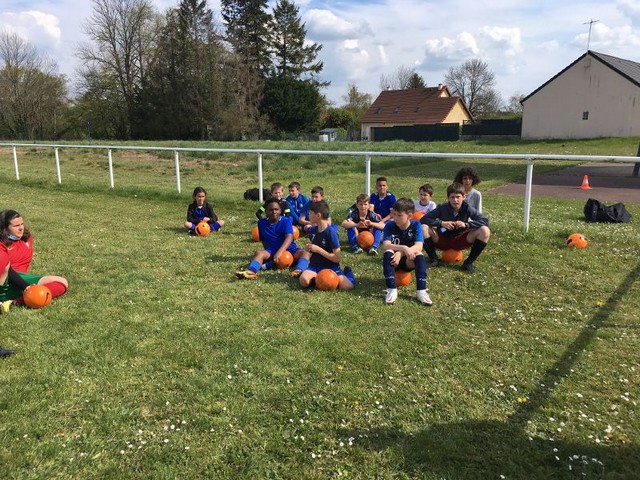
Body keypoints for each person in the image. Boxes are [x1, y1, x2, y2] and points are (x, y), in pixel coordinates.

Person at [0, 209, 69, 314]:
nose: (21, 228)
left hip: (23, 278)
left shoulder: (26, 238)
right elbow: (6, 267)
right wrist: (26, 286)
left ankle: (13, 303)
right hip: (7, 280)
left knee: (61, 283)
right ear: (4, 228)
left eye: (22, 224)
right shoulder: (2, 244)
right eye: (16, 226)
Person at [420, 182, 490, 273]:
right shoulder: (442, 208)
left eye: (458, 197)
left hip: (460, 240)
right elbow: (424, 219)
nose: (455, 200)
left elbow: (485, 220)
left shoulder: (467, 208)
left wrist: (467, 225)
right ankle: (434, 259)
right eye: (452, 197)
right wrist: (441, 223)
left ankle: (468, 263)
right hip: (443, 239)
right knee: (423, 227)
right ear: (448, 198)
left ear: (464, 197)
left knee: (485, 230)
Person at [292, 200, 355, 290]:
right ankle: (319, 279)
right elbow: (309, 251)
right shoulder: (313, 230)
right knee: (304, 280)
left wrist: (318, 250)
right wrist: (307, 249)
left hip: (331, 267)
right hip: (315, 266)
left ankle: (348, 272)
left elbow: (337, 258)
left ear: (318, 215)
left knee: (347, 286)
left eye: (310, 213)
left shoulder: (331, 233)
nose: (308, 216)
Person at [382, 198, 432, 306]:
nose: (395, 218)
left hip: (409, 262)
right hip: (393, 262)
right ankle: (391, 289)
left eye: (399, 215)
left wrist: (401, 253)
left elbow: (419, 246)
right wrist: (404, 248)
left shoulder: (416, 225)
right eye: (394, 214)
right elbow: (386, 245)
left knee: (418, 254)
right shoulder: (390, 225)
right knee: (388, 251)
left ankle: (421, 291)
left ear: (409, 216)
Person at [236, 199, 302, 280]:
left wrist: (279, 252)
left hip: (289, 250)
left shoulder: (286, 221)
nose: (274, 212)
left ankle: (299, 270)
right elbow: (263, 240)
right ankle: (251, 271)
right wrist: (268, 254)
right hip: (272, 251)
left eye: (276, 209)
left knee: (305, 253)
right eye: (271, 210)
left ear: (280, 211)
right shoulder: (261, 223)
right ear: (266, 212)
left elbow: (289, 237)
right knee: (259, 253)